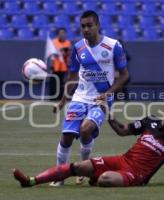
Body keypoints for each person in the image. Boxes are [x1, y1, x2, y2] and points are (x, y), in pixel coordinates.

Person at [13, 103, 164, 187]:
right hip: (122, 160)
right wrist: (109, 113)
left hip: (136, 175)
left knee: (103, 179)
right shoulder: (150, 122)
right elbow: (122, 131)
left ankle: (93, 179)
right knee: (76, 167)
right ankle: (31, 181)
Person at [49, 10, 129, 186]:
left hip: (101, 100)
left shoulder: (113, 46)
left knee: (85, 130)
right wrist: (62, 102)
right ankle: (59, 177)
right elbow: (71, 78)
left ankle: (84, 168)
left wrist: (108, 93)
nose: (86, 29)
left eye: (89, 25)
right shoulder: (78, 48)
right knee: (67, 136)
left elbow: (124, 75)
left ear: (98, 26)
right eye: (83, 26)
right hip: (79, 98)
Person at [46, 27, 71, 100]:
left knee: (62, 83)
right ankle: (52, 97)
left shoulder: (67, 42)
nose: (62, 35)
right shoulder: (54, 42)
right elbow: (52, 53)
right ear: (58, 34)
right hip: (55, 66)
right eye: (61, 33)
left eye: (63, 33)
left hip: (64, 66)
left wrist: (65, 51)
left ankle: (61, 98)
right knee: (53, 82)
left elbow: (68, 53)